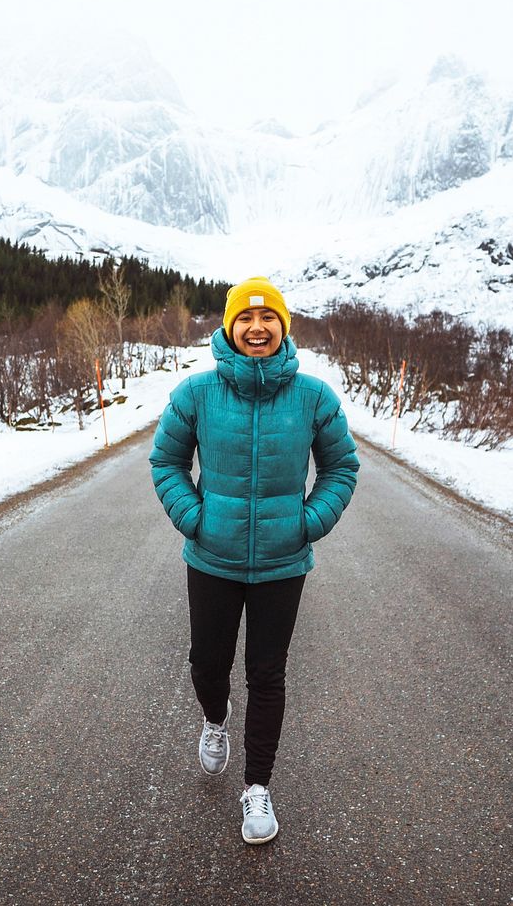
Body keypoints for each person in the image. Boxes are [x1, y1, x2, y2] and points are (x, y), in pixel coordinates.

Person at [149, 276, 360, 844]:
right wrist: (195, 519)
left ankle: (257, 788)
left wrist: (306, 523)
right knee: (207, 664)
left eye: (269, 319)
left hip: (281, 566)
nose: (257, 327)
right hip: (211, 560)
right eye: (246, 318)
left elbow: (342, 467)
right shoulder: (196, 393)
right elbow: (165, 462)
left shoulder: (315, 397)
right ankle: (215, 722)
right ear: (229, 326)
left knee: (267, 675)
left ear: (283, 328)